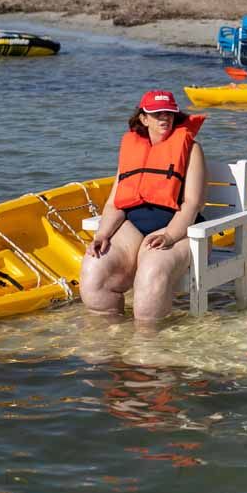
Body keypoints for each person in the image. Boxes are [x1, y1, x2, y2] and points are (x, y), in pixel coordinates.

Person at [80, 90, 206, 323]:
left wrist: (169, 236)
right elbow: (114, 203)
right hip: (134, 228)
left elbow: (193, 203)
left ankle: (147, 345)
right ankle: (112, 337)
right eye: (157, 114)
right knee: (93, 270)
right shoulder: (133, 149)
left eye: (169, 113)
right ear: (143, 118)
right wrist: (103, 234)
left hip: (179, 230)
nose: (164, 118)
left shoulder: (191, 149)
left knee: (151, 271)